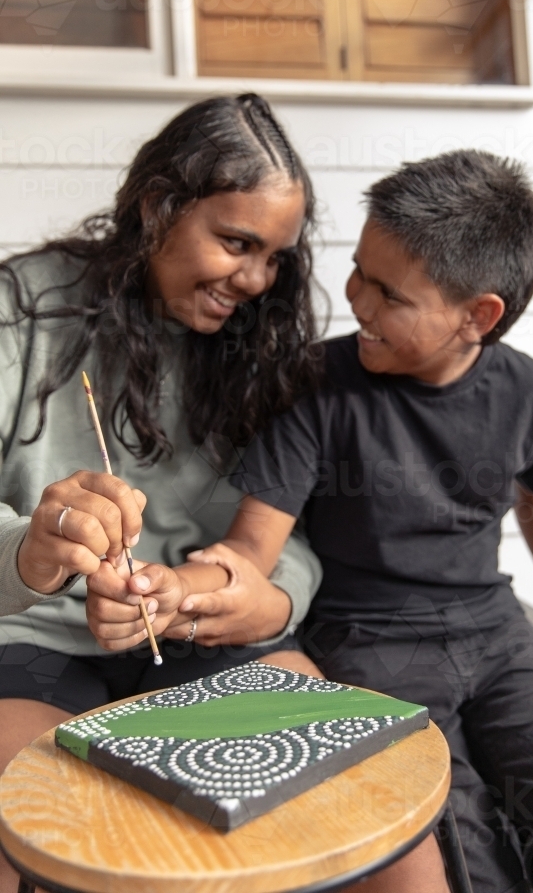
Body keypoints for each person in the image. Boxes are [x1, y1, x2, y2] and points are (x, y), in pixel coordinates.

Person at [97, 151, 533, 893]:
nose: (356, 297)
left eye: (389, 293)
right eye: (359, 268)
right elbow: (250, 546)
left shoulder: (531, 392)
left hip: (495, 637)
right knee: (462, 865)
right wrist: (183, 589)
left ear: (478, 316)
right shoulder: (316, 384)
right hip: (367, 645)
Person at [0, 94, 327, 893]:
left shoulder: (262, 347)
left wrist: (265, 599)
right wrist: (33, 553)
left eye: (274, 255)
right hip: (33, 644)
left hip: (205, 640)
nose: (254, 279)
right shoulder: (25, 309)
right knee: (36, 822)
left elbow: (292, 542)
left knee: (338, 805)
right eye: (235, 242)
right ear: (156, 207)